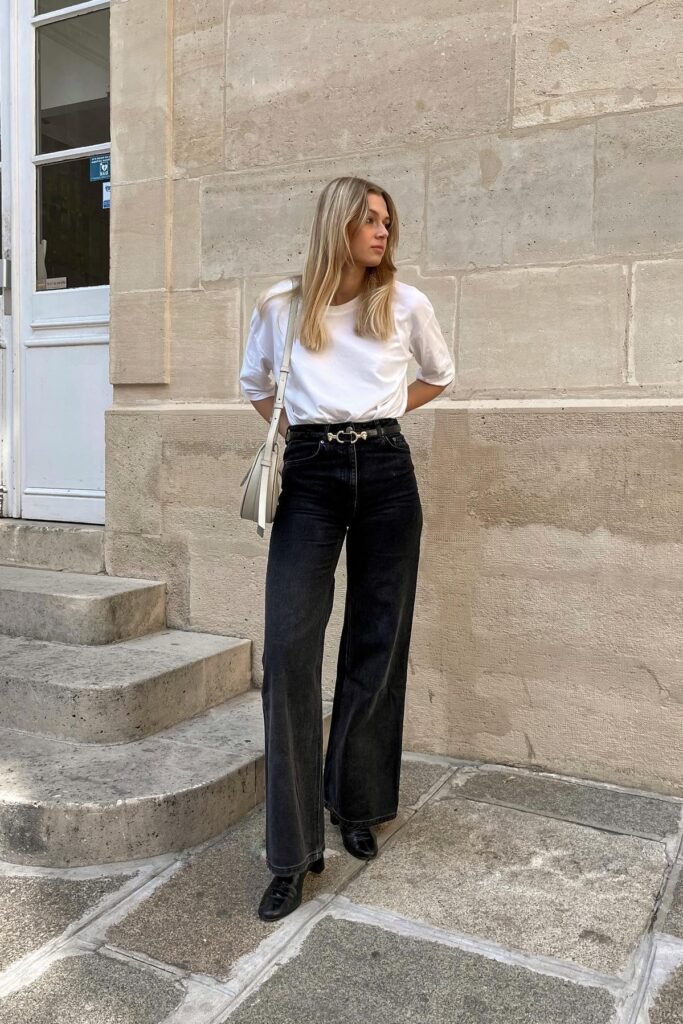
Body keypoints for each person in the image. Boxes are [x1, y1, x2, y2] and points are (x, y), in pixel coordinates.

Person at [239, 176, 455, 922]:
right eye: (367, 219)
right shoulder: (281, 306)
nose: (381, 232)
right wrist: (306, 431)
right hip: (309, 477)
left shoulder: (404, 304)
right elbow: (255, 385)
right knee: (289, 652)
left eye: (387, 221)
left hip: (389, 473)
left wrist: (381, 411)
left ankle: (356, 802)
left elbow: (439, 375)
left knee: (375, 642)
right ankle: (292, 854)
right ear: (336, 223)